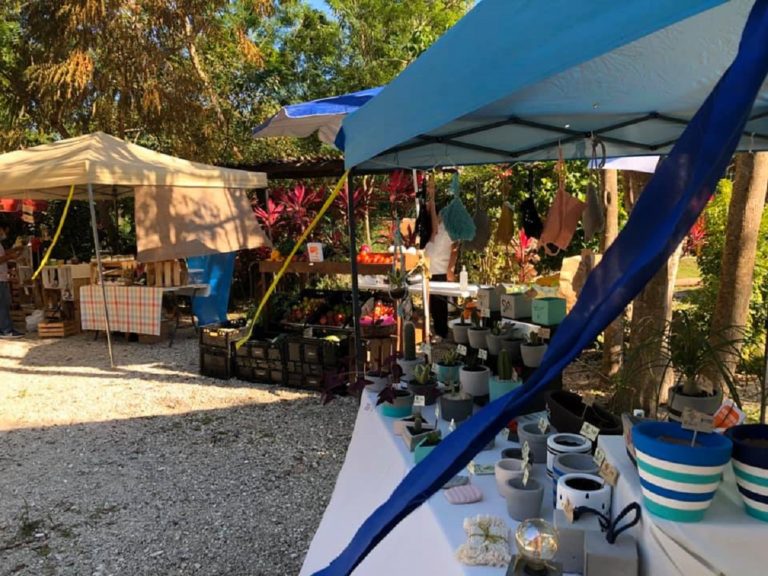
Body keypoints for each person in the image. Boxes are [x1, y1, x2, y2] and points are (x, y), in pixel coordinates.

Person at [424, 179, 459, 340]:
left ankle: (441, 331)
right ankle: (439, 330)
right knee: (435, 304)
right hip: (433, 269)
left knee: (438, 304)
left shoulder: (445, 229)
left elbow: (454, 250)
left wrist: (431, 197)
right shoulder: (444, 230)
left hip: (438, 270)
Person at [0, 222, 23, 339]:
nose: (3, 233)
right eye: (3, 230)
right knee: (2, 304)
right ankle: (6, 330)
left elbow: (3, 254)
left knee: (3, 304)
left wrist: (14, 250)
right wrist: (10, 257)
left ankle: (5, 329)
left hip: (2, 277)